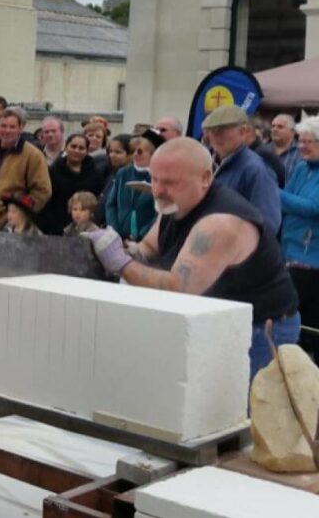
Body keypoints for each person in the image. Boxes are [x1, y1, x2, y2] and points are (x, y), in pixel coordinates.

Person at [84, 138, 299, 380]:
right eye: (154, 179)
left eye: (170, 182)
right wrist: (125, 251)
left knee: (240, 411)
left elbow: (178, 288)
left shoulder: (220, 223)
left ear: (205, 178)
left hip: (261, 329)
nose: (158, 190)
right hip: (222, 318)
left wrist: (120, 263)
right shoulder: (176, 203)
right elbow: (149, 246)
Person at [202, 105, 282, 233]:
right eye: (211, 131)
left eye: (222, 130)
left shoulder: (256, 169)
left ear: (243, 131)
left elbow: (268, 223)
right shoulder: (206, 163)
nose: (216, 136)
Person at [0, 106, 51, 230]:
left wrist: (21, 214)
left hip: (12, 227)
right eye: (3, 126)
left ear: (20, 128)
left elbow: (43, 191)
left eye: (12, 127)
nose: (7, 130)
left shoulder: (33, 155)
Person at [280, 115, 319, 358]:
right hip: (291, 250)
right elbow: (291, 199)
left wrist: (274, 193)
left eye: (309, 142)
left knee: (307, 321)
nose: (301, 147)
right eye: (300, 141)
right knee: (295, 321)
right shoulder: (302, 166)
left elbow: (313, 207)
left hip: (312, 260)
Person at [40, 133, 106, 236]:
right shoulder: (54, 171)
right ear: (66, 147)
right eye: (73, 146)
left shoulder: (95, 174)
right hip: (57, 228)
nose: (77, 151)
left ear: (87, 151)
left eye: (81, 148)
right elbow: (48, 201)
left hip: (87, 230)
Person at [105, 135, 157, 242]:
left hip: (146, 238)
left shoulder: (158, 176)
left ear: (152, 153)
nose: (135, 154)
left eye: (139, 151)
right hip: (119, 236)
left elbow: (160, 212)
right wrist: (115, 230)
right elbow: (111, 203)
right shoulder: (123, 173)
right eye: (132, 151)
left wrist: (143, 233)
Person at [270, 113, 302, 178]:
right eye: (273, 126)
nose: (275, 129)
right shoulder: (263, 151)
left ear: (292, 132)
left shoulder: (302, 152)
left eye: (280, 127)